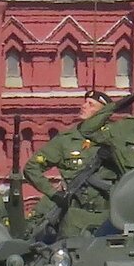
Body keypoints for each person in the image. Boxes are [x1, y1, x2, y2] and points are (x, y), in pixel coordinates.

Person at [24, 90, 112, 234]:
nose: (83, 106)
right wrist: (54, 194)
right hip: (74, 217)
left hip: (108, 216)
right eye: (85, 102)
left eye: (91, 105)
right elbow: (31, 167)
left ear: (103, 112)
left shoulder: (115, 137)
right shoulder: (66, 140)